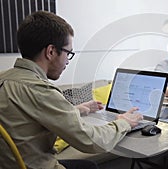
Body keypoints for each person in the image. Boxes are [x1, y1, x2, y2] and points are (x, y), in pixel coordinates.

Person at [0, 11, 143, 169]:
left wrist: (77, 109)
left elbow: (30, 115)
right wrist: (124, 123)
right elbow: (91, 141)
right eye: (68, 53)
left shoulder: (5, 78)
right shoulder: (41, 90)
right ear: (51, 52)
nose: (67, 61)